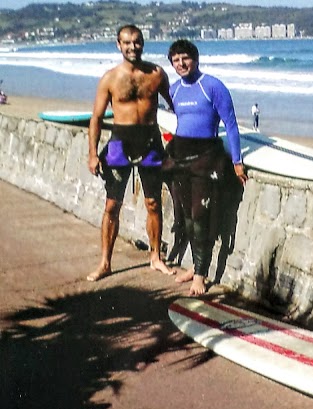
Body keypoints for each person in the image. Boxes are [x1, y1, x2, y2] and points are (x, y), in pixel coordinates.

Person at [87, 24, 175, 282]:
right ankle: (105, 262)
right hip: (119, 143)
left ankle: (155, 257)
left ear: (143, 42)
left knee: (152, 203)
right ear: (118, 45)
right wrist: (92, 154)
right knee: (112, 204)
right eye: (126, 42)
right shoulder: (110, 78)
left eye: (136, 42)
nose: (132, 47)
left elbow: (175, 105)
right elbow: (96, 117)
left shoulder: (157, 74)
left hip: (149, 141)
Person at [167, 39, 247, 296]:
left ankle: (200, 274)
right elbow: (179, 120)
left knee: (201, 218)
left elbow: (231, 125)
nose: (181, 63)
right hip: (180, 157)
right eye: (176, 60)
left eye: (185, 58)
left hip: (206, 157)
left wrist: (237, 161)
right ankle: (194, 266)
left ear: (196, 59)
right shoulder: (174, 90)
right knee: (187, 218)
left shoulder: (213, 86)